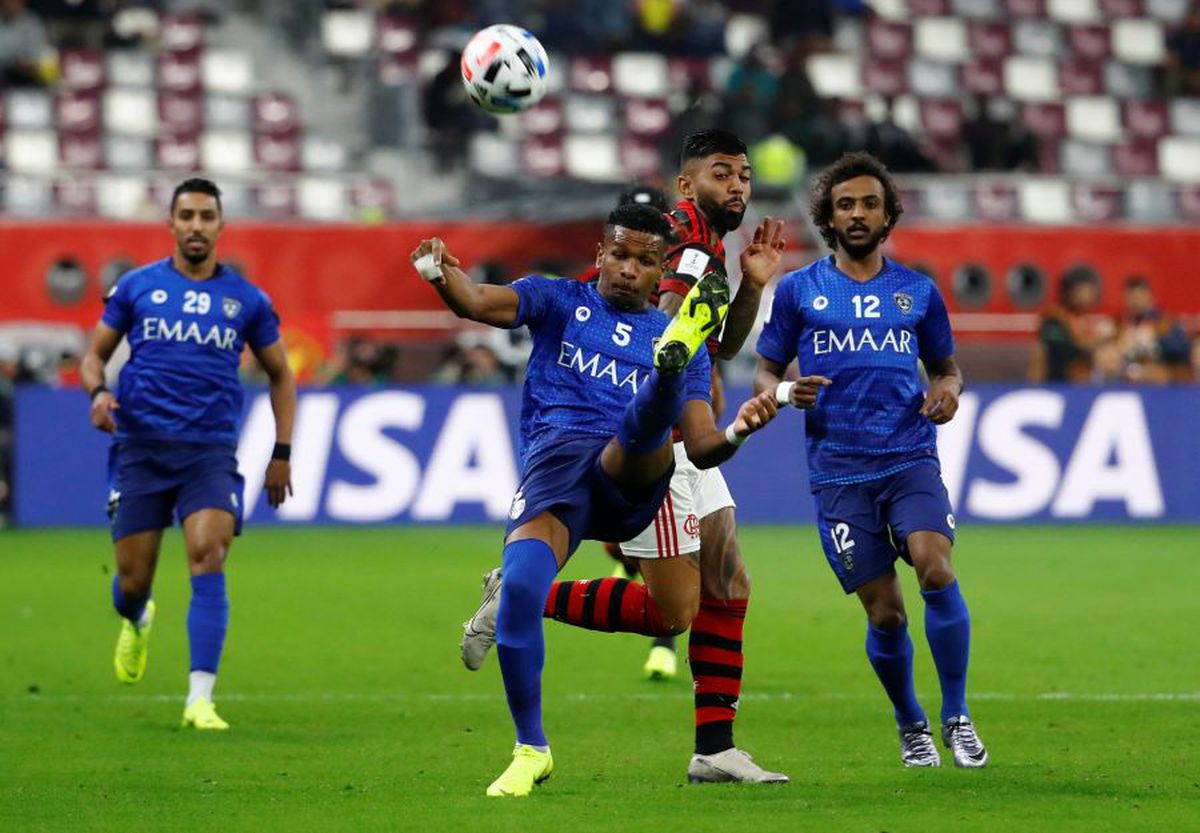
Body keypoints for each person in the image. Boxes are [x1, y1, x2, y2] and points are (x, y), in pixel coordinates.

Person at [413, 202, 781, 797]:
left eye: (645, 262)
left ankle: (660, 380)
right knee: (523, 585)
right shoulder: (558, 300)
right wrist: (438, 271)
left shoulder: (677, 341)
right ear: (600, 255)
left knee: (638, 436)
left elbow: (703, 446)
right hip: (557, 472)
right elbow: (476, 301)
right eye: (620, 255)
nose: (629, 269)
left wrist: (739, 428)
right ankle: (531, 750)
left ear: (661, 272)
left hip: (634, 474)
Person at [753, 151, 988, 769]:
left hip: (908, 457)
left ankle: (957, 714)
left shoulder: (918, 291)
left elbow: (947, 369)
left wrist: (948, 392)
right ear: (828, 218)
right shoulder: (799, 290)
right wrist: (784, 394)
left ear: (888, 216)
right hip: (839, 473)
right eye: (845, 205)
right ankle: (910, 720)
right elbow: (765, 373)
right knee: (886, 613)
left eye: (869, 204)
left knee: (935, 567)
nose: (857, 214)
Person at [79, 178, 296, 731]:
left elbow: (281, 375)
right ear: (171, 224)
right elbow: (93, 356)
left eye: (206, 216)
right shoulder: (137, 286)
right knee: (132, 583)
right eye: (187, 216)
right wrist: (99, 392)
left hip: (209, 453)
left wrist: (282, 452)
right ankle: (137, 617)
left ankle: (200, 699)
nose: (196, 225)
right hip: (141, 449)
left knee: (207, 554)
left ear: (220, 226)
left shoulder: (248, 300)